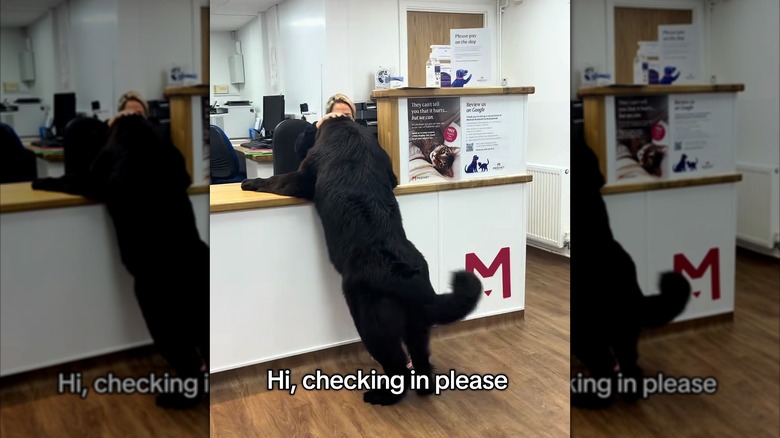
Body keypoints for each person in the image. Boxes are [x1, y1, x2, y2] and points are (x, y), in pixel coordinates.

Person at [293, 93, 356, 161]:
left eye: (347, 116)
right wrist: (320, 123)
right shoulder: (322, 137)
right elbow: (301, 149)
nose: (343, 120)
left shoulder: (358, 138)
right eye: (337, 116)